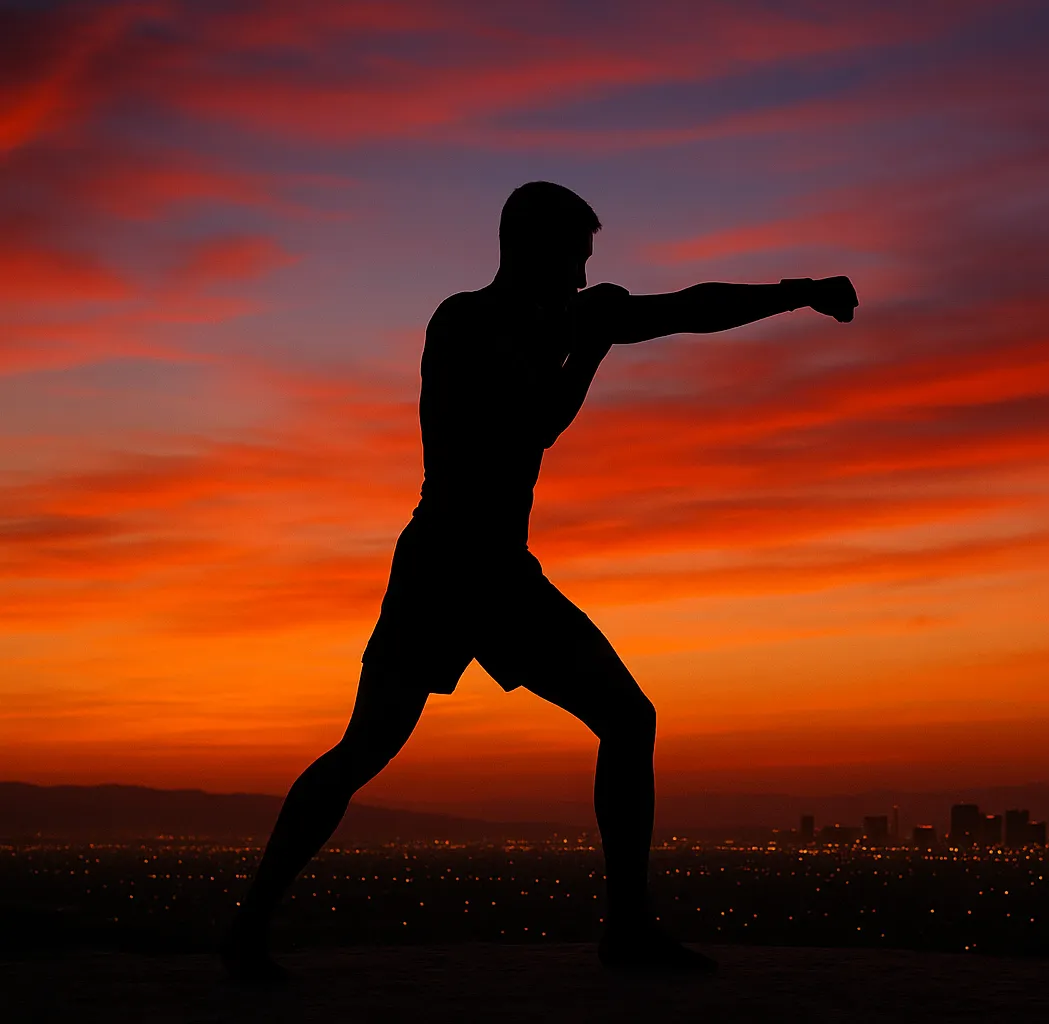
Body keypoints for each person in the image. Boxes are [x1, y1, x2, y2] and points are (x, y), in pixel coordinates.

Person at [220, 181, 858, 980]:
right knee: (366, 748)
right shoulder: (465, 323)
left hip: (498, 573)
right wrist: (588, 348)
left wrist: (800, 295)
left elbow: (690, 307)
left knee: (626, 719)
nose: (585, 281)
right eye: (575, 263)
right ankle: (249, 928)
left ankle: (627, 929)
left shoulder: (565, 318)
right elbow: (532, 425)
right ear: (532, 252)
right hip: (446, 565)